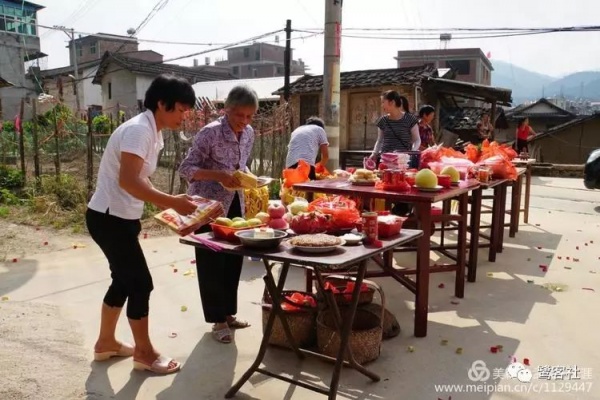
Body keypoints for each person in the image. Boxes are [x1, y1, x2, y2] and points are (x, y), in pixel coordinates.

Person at [86, 74, 198, 374]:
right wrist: (172, 201)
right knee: (140, 283)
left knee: (123, 280)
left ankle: (105, 343)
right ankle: (144, 353)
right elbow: (128, 180)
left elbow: (139, 179)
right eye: (180, 109)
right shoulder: (139, 131)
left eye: (187, 110)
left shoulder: (152, 130)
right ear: (161, 104)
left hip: (118, 217)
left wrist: (168, 208)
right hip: (109, 219)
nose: (184, 116)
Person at [179, 85, 258, 344]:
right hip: (208, 204)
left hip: (235, 202)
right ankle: (217, 320)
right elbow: (187, 168)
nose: (244, 122)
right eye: (239, 116)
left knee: (234, 259)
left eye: (249, 116)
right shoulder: (209, 133)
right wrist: (219, 176)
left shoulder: (249, 134)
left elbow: (240, 164)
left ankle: (229, 313)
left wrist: (248, 179)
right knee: (211, 261)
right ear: (227, 110)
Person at [369, 90, 420, 161]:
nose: (382, 105)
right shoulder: (383, 120)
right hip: (385, 160)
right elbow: (380, 140)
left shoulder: (410, 119)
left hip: (403, 161)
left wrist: (412, 152)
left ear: (392, 102)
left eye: (383, 102)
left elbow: (417, 140)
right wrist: (374, 154)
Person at [285, 116, 329, 180]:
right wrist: (319, 167)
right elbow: (326, 156)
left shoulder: (296, 130)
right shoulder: (320, 129)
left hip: (289, 166)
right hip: (306, 165)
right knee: (308, 189)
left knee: (292, 189)